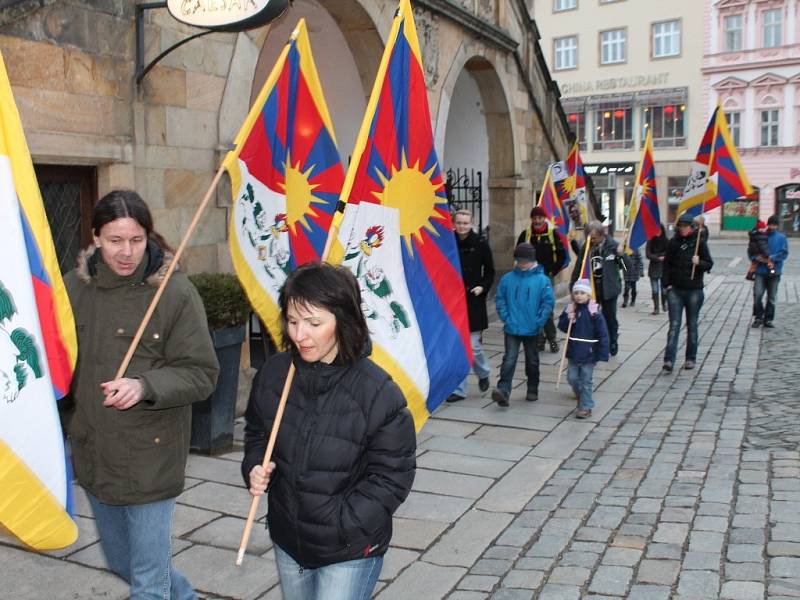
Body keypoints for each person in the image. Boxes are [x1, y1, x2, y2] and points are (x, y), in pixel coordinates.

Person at [63, 190, 219, 599]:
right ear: (95, 237)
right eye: (115, 240)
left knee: (148, 583)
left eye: (137, 239)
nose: (127, 252)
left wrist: (144, 385)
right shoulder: (73, 290)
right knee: (123, 563)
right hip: (95, 453)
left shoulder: (174, 293)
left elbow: (202, 374)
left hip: (151, 458)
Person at [242, 263, 416, 600]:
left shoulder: (377, 391)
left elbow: (392, 476)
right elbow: (257, 433)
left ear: (343, 321)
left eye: (313, 323)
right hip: (288, 539)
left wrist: (342, 523)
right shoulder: (277, 372)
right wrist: (254, 466)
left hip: (348, 548)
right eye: (292, 321)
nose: (299, 335)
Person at [492, 243, 555, 406]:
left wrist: (539, 321)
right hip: (512, 327)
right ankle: (503, 390)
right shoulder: (508, 279)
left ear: (532, 260)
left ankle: (532, 388)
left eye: (525, 261)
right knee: (509, 359)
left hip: (532, 328)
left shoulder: (542, 280)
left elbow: (547, 303)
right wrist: (506, 317)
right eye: (519, 260)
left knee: (532, 360)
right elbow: (500, 299)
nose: (522, 264)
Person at [448, 209, 495, 402]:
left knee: (473, 346)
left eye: (465, 223)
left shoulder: (481, 243)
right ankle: (459, 389)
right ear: (454, 223)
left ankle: (483, 372)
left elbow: (490, 272)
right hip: (454, 300)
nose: (462, 226)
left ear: (471, 224)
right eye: (459, 222)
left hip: (473, 300)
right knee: (459, 347)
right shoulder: (448, 242)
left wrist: (482, 288)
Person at [661, 212, 713, 372]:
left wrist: (699, 263)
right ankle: (669, 359)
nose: (683, 229)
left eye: (686, 226)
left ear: (692, 227)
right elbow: (667, 266)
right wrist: (667, 285)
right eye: (681, 226)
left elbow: (709, 264)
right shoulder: (673, 243)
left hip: (694, 290)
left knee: (692, 325)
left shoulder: (699, 243)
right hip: (675, 289)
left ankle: (690, 358)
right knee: (674, 325)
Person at [570, 221, 628, 356]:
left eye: (594, 237)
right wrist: (573, 286)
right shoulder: (587, 246)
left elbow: (625, 267)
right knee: (592, 317)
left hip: (609, 288)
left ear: (602, 235)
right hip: (592, 289)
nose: (591, 240)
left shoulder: (612, 246)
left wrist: (621, 254)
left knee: (610, 318)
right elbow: (579, 266)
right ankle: (598, 342)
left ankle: (613, 340)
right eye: (589, 237)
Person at [517, 205, 567, 353]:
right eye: (535, 218)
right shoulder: (525, 235)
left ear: (545, 218)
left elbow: (562, 256)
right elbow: (517, 254)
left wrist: (552, 271)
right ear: (531, 219)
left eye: (540, 218)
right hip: (529, 279)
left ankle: (552, 338)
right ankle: (539, 339)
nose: (537, 221)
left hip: (546, 279)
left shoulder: (553, 234)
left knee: (546, 310)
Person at [557, 279, 609, 419]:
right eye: (576, 293)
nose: (579, 295)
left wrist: (603, 352)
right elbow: (562, 327)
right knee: (572, 377)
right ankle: (580, 393)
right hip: (574, 350)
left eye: (582, 293)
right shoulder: (570, 309)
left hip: (589, 352)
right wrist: (568, 319)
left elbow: (603, 333)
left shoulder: (594, 311)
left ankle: (585, 406)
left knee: (586, 379)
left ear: (588, 295)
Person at [750, 214, 789, 328]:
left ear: (777, 226)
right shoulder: (760, 235)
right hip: (760, 270)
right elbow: (752, 251)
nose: (772, 227)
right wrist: (756, 258)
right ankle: (758, 317)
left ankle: (768, 319)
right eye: (771, 224)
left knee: (771, 297)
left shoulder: (781, 238)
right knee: (757, 294)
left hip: (774, 270)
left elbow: (784, 253)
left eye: (774, 225)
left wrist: (772, 258)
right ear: (768, 224)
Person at [645, 224, 668, 315]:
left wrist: (663, 256)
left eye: (659, 231)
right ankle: (656, 308)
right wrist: (658, 257)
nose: (658, 233)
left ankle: (664, 303)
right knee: (655, 290)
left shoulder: (666, 241)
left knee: (664, 290)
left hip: (664, 268)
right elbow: (648, 254)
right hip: (654, 268)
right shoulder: (650, 241)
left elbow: (669, 252)